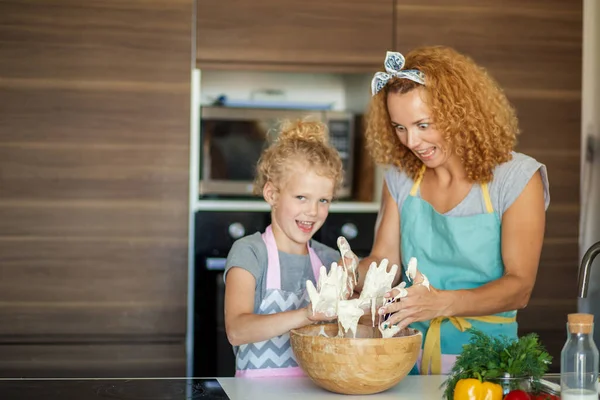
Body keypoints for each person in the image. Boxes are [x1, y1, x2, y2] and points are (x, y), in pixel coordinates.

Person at [351, 46, 550, 375]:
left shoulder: (516, 178)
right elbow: (383, 264)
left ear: (460, 113)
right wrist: (352, 273)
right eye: (399, 127)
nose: (412, 141)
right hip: (408, 355)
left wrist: (440, 302)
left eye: (423, 124)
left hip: (489, 362)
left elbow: (520, 288)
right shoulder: (401, 178)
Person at [223, 119, 347, 377]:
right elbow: (237, 330)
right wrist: (307, 315)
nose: (312, 211)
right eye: (301, 197)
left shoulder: (330, 260)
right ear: (272, 194)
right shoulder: (250, 253)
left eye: (323, 200)